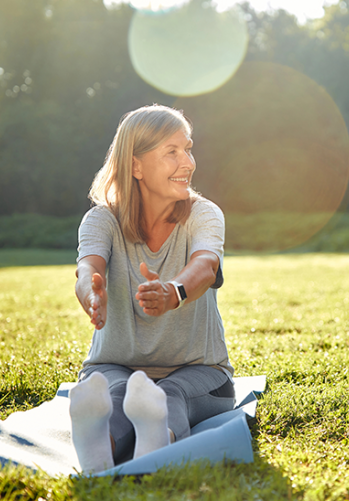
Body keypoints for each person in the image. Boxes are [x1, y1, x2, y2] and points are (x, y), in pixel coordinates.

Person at [68, 104, 234, 473]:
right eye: (171, 152)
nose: (188, 162)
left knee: (168, 394)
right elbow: (87, 269)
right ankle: (100, 448)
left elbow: (205, 266)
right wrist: (91, 293)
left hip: (199, 371)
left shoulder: (203, 214)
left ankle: (155, 446)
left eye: (188, 149)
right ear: (135, 166)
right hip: (114, 364)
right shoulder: (101, 220)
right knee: (118, 393)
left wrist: (173, 291)